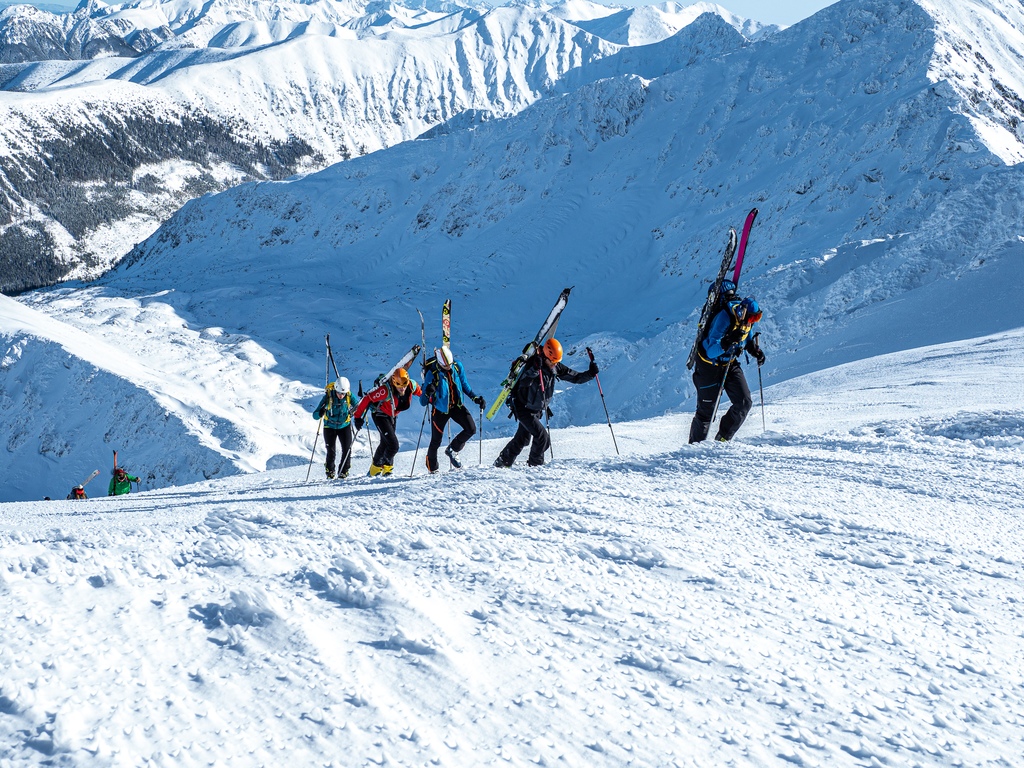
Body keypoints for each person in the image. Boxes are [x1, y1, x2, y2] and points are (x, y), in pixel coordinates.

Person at [493, 338, 597, 468]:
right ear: (546, 355)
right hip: (523, 407)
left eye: (556, 362)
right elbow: (524, 382)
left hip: (536, 409)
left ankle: (502, 461)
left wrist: (591, 374)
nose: (555, 364)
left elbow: (574, 377)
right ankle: (535, 467)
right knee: (543, 438)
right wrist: (535, 370)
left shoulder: (554, 365)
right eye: (553, 361)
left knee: (523, 439)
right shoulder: (533, 364)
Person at [689, 291, 764, 444]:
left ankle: (721, 440)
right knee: (706, 413)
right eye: (751, 318)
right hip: (709, 366)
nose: (752, 322)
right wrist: (728, 341)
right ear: (742, 312)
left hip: (729, 363)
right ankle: (694, 449)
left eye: (756, 318)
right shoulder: (724, 318)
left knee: (744, 402)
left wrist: (753, 350)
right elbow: (711, 351)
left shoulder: (746, 322)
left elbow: (747, 336)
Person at [420, 346, 487, 473]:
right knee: (436, 441)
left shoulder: (457, 366)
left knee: (471, 429)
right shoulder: (432, 373)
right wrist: (428, 391)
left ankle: (453, 449)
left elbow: (464, 385)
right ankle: (432, 469)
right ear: (440, 364)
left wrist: (475, 398)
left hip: (457, 406)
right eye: (446, 366)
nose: (449, 367)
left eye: (450, 364)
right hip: (440, 410)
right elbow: (422, 402)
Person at [353, 367, 422, 477]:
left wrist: (432, 398)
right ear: (394, 383)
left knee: (385, 443)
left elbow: (421, 393)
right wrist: (357, 417)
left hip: (392, 415)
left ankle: (375, 471)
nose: (402, 388)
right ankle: (384, 465)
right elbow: (367, 399)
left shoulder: (411, 385)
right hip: (380, 415)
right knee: (393, 445)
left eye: (404, 384)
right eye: (399, 385)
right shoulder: (385, 391)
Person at [313, 376, 356, 479]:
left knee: (347, 449)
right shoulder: (328, 396)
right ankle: (330, 471)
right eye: (339, 393)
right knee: (331, 451)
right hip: (329, 426)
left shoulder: (349, 396)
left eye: (343, 393)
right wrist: (320, 412)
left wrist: (354, 411)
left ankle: (343, 472)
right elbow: (315, 415)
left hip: (344, 425)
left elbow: (359, 407)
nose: (341, 395)